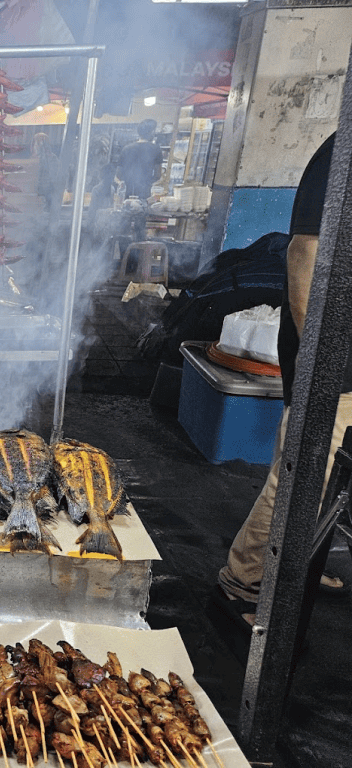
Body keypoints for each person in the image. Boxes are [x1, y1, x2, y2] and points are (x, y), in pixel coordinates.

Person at [216, 131, 351, 630]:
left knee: (335, 480)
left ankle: (298, 566)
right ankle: (245, 580)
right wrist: (320, 354)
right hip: (337, 358)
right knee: (303, 475)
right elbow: (306, 252)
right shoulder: (345, 148)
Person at [117, 119, 162, 202]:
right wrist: (147, 182)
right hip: (145, 194)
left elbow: (119, 174)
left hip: (127, 193)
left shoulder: (126, 149)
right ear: (151, 132)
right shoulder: (155, 149)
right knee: (141, 211)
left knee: (128, 212)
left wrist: (127, 181)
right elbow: (158, 175)